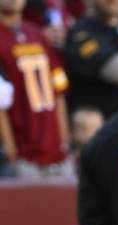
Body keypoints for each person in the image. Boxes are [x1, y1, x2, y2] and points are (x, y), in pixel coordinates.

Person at [0, 0, 71, 177]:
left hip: (56, 151)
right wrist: (10, 149)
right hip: (23, 155)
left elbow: (58, 91)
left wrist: (64, 141)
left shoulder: (36, 33)